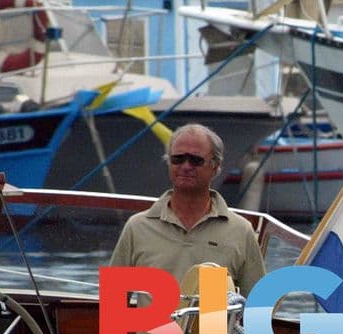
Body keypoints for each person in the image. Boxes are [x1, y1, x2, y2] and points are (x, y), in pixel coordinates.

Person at [110, 122, 266, 296]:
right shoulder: (137, 227)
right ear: (169, 163)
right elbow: (113, 303)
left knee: (212, 304)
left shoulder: (241, 231)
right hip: (154, 325)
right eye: (178, 159)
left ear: (215, 166)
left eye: (196, 160)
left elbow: (257, 307)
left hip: (211, 323)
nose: (186, 166)